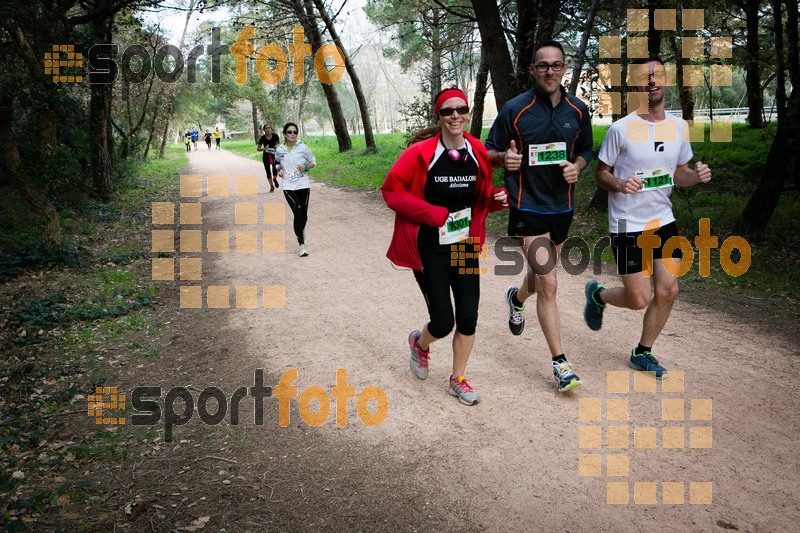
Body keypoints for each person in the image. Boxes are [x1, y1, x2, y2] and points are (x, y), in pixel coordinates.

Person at [585, 55, 712, 379]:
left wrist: (694, 178)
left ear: (666, 80)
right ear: (635, 86)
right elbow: (601, 173)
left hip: (662, 220)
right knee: (639, 298)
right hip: (627, 223)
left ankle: (642, 352)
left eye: (657, 75)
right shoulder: (621, 129)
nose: (652, 81)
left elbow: (679, 173)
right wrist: (618, 183)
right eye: (645, 76)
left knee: (669, 290)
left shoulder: (678, 127)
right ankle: (598, 295)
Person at [382, 87, 509, 405]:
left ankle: (458, 379)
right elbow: (391, 191)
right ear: (438, 117)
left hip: (465, 246)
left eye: (460, 109)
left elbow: (479, 197)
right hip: (429, 247)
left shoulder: (477, 151)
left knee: (468, 316)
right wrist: (432, 214)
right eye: (447, 111)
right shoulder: (420, 153)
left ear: (468, 113)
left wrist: (495, 200)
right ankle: (419, 343)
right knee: (442, 321)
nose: (455, 116)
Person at [485, 40, 593, 392]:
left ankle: (516, 298)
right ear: (532, 70)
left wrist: (577, 167)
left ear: (565, 69)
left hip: (562, 206)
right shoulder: (515, 109)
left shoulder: (578, 110)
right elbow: (487, 151)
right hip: (526, 205)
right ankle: (561, 364)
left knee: (540, 275)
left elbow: (586, 149)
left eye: (556, 65)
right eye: (542, 65)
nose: (550, 71)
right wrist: (505, 159)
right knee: (548, 281)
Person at [275, 122, 316, 257]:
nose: (292, 134)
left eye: (295, 132)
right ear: (284, 135)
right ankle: (301, 245)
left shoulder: (303, 147)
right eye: (290, 132)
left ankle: (301, 229)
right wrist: (279, 170)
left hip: (303, 184)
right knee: (297, 212)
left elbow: (313, 162)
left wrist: (306, 167)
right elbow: (276, 163)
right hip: (288, 185)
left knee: (304, 215)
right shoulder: (280, 149)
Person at [257, 124, 281, 192]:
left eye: (269, 128)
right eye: (266, 128)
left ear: (271, 129)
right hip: (266, 156)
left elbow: (279, 144)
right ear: (264, 130)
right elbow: (258, 149)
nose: (268, 129)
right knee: (268, 171)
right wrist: (264, 148)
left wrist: (277, 146)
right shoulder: (262, 138)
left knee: (275, 168)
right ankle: (271, 186)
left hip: (274, 155)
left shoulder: (275, 136)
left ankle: (275, 179)